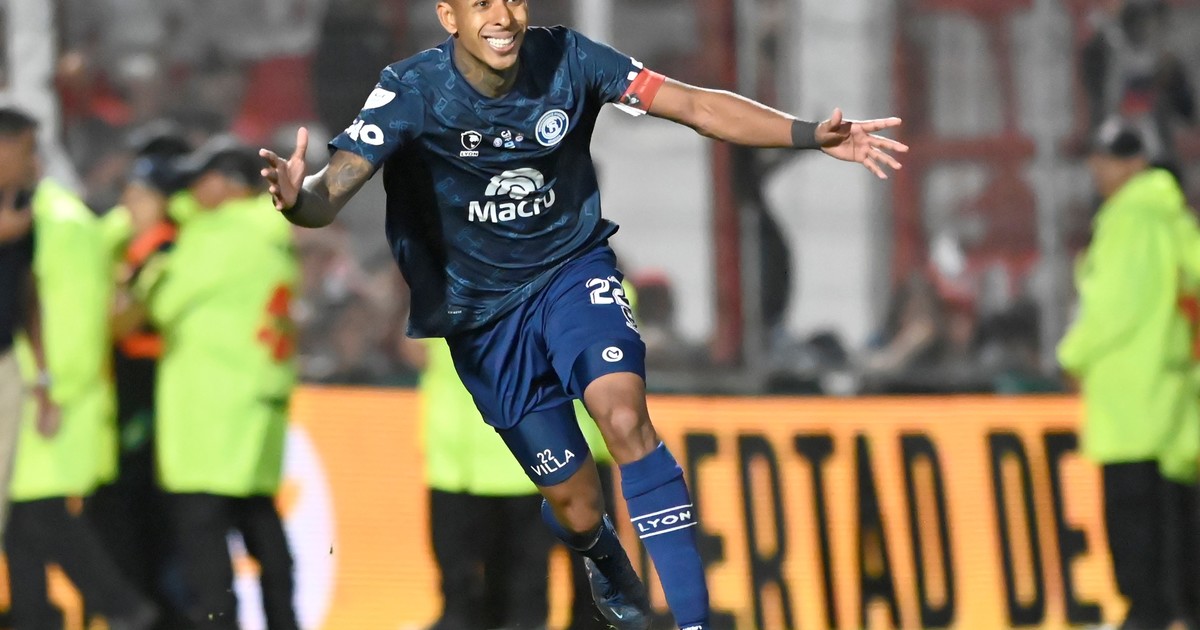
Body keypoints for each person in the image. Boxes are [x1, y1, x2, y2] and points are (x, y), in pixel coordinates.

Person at [259, 3, 906, 628]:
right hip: (483, 320)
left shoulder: (570, 59)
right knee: (577, 503)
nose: (503, 17)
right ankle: (601, 554)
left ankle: (692, 620)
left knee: (623, 415)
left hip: (571, 272)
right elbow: (330, 192)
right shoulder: (410, 91)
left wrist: (808, 134)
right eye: (481, 3)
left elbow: (695, 107)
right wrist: (297, 200)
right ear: (448, 17)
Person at [118, 137, 302, 630]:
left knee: (204, 543)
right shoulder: (271, 232)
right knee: (262, 526)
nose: (193, 191)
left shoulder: (221, 237)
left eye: (202, 179)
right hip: (255, 402)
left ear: (227, 185)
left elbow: (160, 304)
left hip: (209, 414)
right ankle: (285, 623)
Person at [0, 106, 159, 630]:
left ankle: (122, 608)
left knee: (35, 512)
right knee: (23, 523)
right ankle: (39, 616)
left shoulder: (52, 222)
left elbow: (61, 316)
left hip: (40, 394)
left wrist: (44, 386)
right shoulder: (57, 217)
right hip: (47, 389)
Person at [1058, 119, 1200, 630]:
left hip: (1127, 395)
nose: (1099, 169)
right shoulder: (1173, 216)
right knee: (1176, 514)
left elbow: (1110, 305)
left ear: (1136, 163)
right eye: (1097, 158)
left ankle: (1146, 612)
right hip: (1173, 392)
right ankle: (1182, 608)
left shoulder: (1125, 219)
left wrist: (1071, 355)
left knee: (1131, 514)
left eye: (1110, 159)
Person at [402, 335, 556, 630]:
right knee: (497, 587)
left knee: (511, 586)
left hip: (506, 456)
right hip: (468, 455)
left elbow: (414, 348)